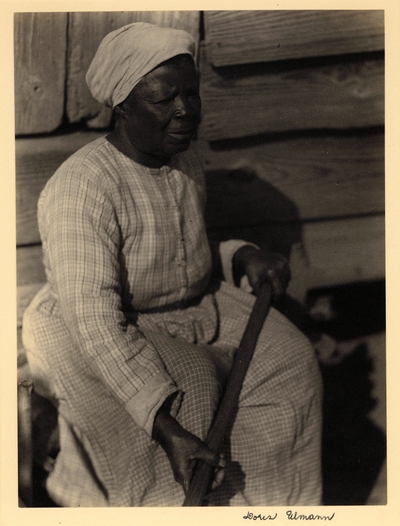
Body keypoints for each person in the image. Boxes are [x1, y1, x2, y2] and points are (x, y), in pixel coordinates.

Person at [22, 22, 322, 507]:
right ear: (122, 107)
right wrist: (165, 428)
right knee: (191, 397)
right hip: (106, 322)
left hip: (195, 304)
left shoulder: (181, 160)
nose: (184, 110)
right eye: (164, 100)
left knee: (291, 363)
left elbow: (181, 252)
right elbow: (96, 320)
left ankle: (273, 510)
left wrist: (240, 255)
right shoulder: (82, 189)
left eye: (191, 94)